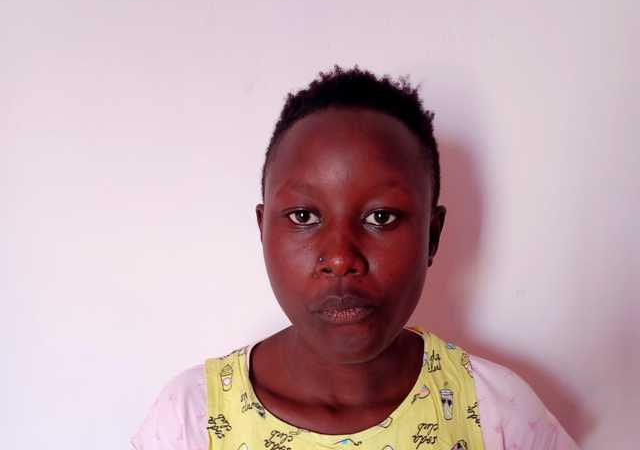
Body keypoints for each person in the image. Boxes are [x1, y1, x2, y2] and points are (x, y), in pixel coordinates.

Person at [131, 66, 579, 449]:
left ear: (432, 236)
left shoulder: (495, 412)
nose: (341, 257)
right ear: (263, 231)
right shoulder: (191, 420)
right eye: (304, 216)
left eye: (381, 217)